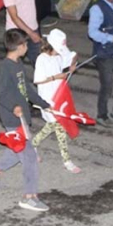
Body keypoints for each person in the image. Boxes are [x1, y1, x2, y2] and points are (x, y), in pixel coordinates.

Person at [0, 29, 52, 212]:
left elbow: (26, 89)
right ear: (19, 46)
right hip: (13, 118)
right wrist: (13, 107)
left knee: (17, 151)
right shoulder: (6, 67)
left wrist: (44, 104)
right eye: (26, 44)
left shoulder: (18, 64)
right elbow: (2, 94)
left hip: (22, 116)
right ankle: (29, 197)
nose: (27, 47)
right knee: (29, 157)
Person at [31, 29, 81, 173]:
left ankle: (32, 144)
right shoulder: (42, 59)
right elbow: (38, 80)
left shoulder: (58, 56)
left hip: (59, 97)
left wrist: (72, 64)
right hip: (48, 99)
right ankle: (67, 161)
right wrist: (57, 77)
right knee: (59, 127)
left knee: (52, 126)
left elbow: (73, 55)